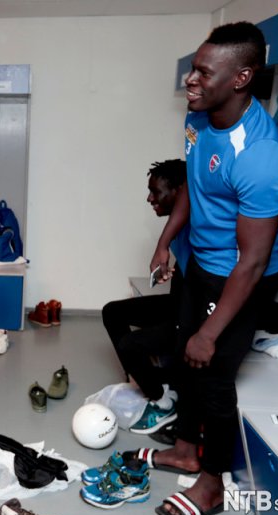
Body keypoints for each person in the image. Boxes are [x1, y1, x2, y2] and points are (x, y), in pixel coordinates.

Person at [143, 22, 278, 515]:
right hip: (201, 262)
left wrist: (210, 331)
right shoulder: (199, 119)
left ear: (241, 77)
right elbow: (193, 189)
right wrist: (165, 244)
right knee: (184, 362)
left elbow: (252, 261)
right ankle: (186, 450)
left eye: (205, 72)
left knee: (213, 376)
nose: (191, 79)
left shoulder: (261, 155)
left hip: (240, 276)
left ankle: (212, 484)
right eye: (193, 68)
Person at [101, 159, 188, 437]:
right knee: (112, 311)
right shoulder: (177, 226)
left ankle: (163, 401)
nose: (150, 198)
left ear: (179, 191)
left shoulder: (200, 225)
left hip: (193, 316)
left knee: (130, 345)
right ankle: (145, 380)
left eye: (156, 191)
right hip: (179, 304)